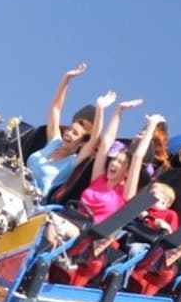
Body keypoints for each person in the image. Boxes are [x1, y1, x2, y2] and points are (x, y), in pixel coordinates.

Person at [27, 66, 104, 196]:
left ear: (81, 143)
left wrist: (101, 109)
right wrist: (66, 78)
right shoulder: (54, 142)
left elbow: (94, 139)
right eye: (69, 129)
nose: (68, 134)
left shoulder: (72, 162)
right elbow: (55, 108)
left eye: (75, 134)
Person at [78, 106, 155, 222]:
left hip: (94, 234)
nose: (113, 163)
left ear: (127, 172)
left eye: (120, 162)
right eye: (114, 159)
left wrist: (151, 127)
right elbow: (106, 143)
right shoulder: (99, 179)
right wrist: (118, 111)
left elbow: (137, 157)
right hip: (72, 220)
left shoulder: (126, 193)